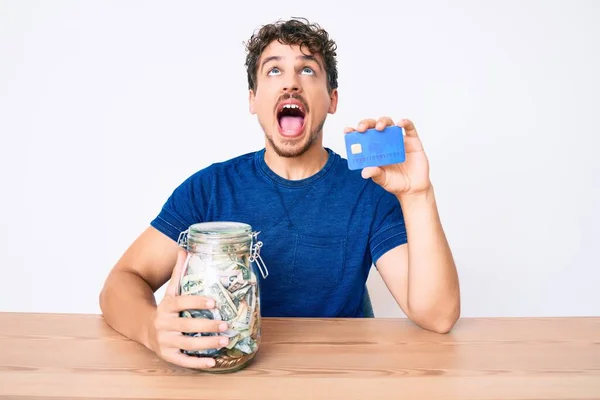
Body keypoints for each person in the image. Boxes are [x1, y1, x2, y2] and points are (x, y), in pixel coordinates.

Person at [99, 17, 460, 370]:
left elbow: (438, 315)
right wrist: (150, 329)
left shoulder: (368, 190)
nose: (290, 83)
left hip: (337, 375)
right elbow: (121, 282)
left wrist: (417, 195)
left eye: (307, 70)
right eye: (274, 70)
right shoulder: (208, 189)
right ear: (253, 99)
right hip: (228, 371)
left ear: (332, 99)